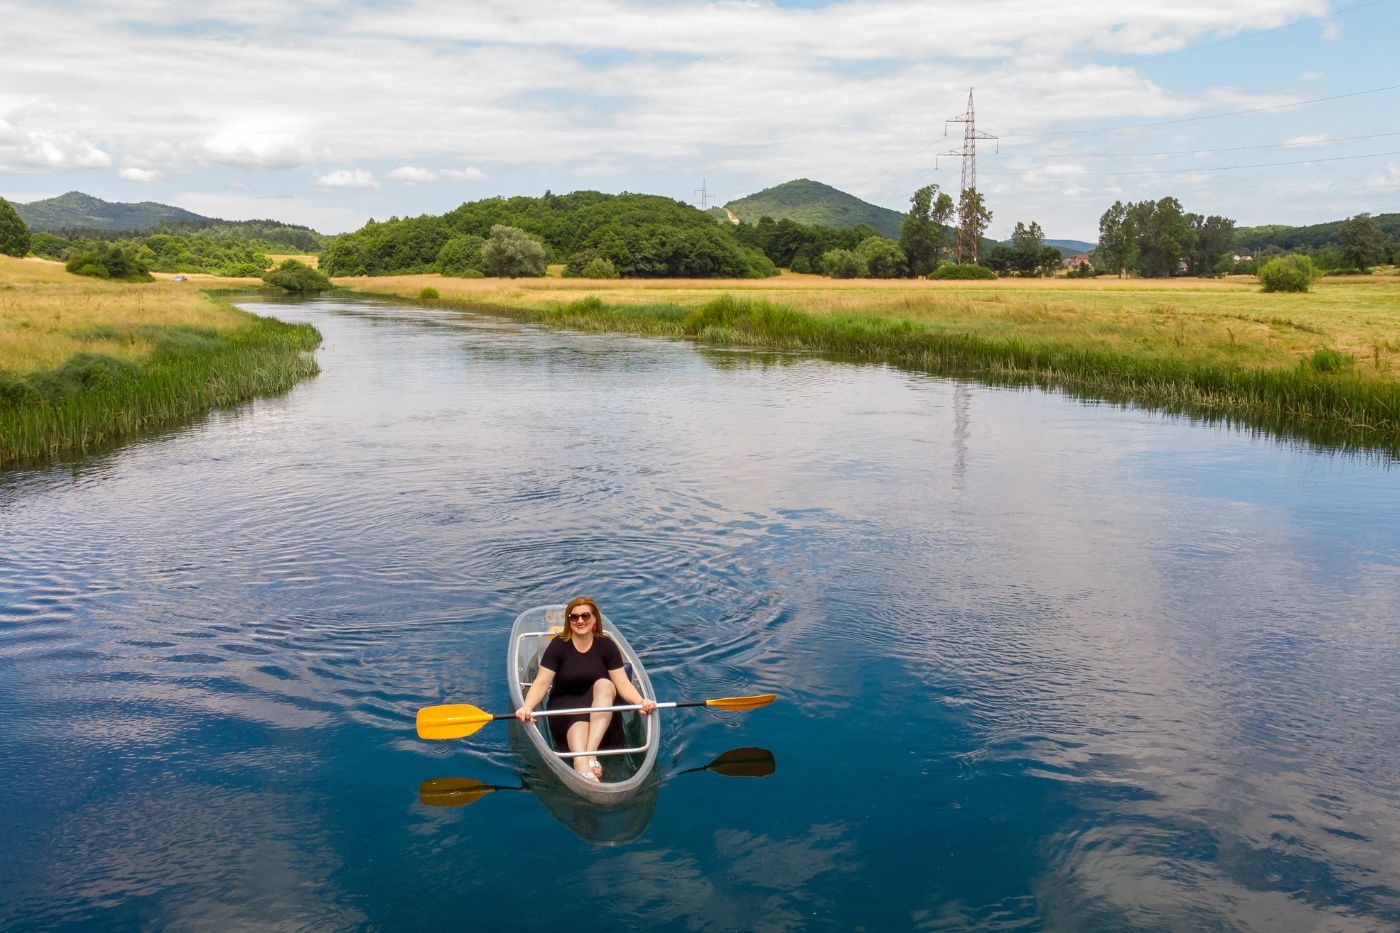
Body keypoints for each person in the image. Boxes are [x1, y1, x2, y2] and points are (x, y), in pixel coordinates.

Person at [515, 597, 656, 781]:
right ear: (568, 621)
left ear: (594, 618)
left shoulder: (606, 645)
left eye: (585, 616)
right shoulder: (558, 646)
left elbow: (622, 684)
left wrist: (640, 701)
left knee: (605, 684)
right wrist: (527, 706)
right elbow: (541, 682)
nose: (580, 621)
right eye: (574, 617)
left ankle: (589, 754)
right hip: (565, 706)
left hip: (600, 705)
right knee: (579, 717)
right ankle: (582, 765)